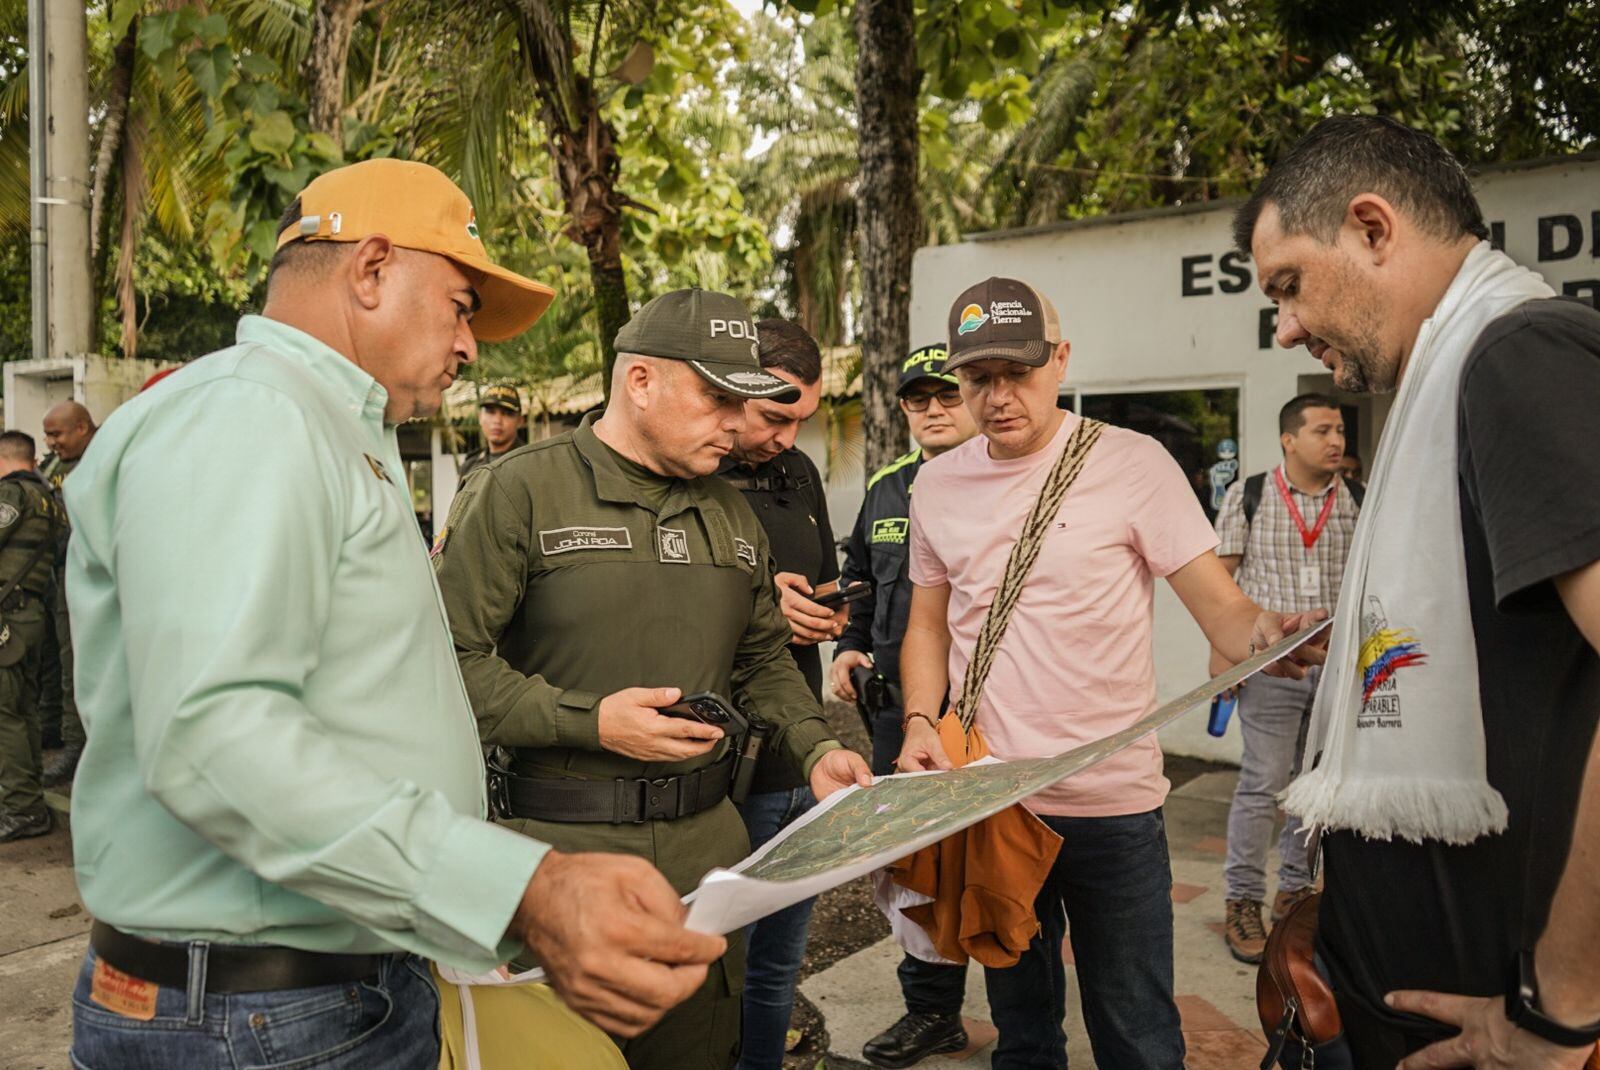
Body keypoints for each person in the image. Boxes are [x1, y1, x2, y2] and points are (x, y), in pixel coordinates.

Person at [64, 158, 725, 1067]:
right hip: (261, 1013)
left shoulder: (319, 429)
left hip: (309, 993)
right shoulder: (252, 414)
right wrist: (520, 890)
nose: (469, 347)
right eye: (461, 305)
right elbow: (213, 734)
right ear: (371, 270)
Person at [432, 286, 874, 1070]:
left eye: (747, 401)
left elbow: (763, 658)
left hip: (708, 863)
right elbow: (446, 669)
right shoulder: (520, 491)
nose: (738, 424)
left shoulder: (730, 514)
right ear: (641, 382)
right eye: (716, 398)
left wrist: (813, 748)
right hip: (559, 862)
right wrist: (588, 721)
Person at [1239, 114, 1600, 1068]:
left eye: (1288, 286)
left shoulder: (1516, 356)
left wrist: (1561, 1010)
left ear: (1371, 227)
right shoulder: (1458, 372)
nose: (1285, 328)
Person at [895, 277, 1322, 1070]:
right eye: (978, 378)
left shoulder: (1132, 463)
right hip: (990, 797)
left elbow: (1223, 611)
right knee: (1022, 1034)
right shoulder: (938, 484)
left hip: (1112, 805)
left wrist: (1264, 633)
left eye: (1017, 373)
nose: (998, 397)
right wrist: (922, 721)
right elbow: (926, 622)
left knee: (1138, 1035)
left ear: (1059, 360)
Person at [832, 344, 980, 1069]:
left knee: (1000, 865)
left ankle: (1028, 1017)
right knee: (915, 866)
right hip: (899, 716)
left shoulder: (1007, 483)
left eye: (947, 396)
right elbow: (859, 578)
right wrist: (848, 649)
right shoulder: (890, 488)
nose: (933, 410)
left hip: (989, 715)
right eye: (918, 400)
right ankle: (932, 1012)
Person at [715, 318, 841, 1070]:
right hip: (727, 769)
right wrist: (762, 606)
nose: (789, 438)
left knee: (774, 972)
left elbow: (819, 571)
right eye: (776, 416)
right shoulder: (688, 475)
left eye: (803, 421)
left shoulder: (797, 474)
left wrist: (828, 606)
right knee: (714, 970)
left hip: (804, 750)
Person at [1211, 393, 1360, 963]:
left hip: (1336, 668)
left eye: (1340, 429)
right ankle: (1242, 899)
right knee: (1262, 783)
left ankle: (1294, 891)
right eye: (1322, 430)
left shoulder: (1358, 499)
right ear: (1288, 439)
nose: (1336, 440)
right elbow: (1222, 581)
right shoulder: (1249, 496)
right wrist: (1222, 656)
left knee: (1315, 784)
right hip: (1272, 664)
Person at [0, 431, 68, 842]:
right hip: (31, 617)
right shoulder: (50, 500)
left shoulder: (12, 494)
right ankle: (27, 800)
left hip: (8, 621)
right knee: (23, 714)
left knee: (6, 719)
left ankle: (21, 810)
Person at [36, 400, 95, 783]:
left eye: (57, 434)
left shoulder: (108, 454)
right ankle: (63, 736)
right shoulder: (53, 466)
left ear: (82, 427)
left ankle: (82, 746)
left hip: (96, 572)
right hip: (60, 573)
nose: (52, 442)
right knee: (61, 658)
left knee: (84, 659)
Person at [457, 383, 528, 486]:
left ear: (520, 420)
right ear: (480, 417)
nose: (497, 421)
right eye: (490, 412)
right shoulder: (470, 466)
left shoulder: (530, 462)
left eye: (507, 413)